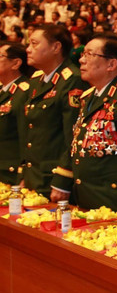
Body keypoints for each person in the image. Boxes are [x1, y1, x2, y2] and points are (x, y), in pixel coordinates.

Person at [50, 34, 117, 210]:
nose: (81, 59)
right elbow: (77, 141)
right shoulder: (89, 96)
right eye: (83, 54)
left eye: (89, 54)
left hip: (113, 198)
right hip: (86, 195)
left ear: (111, 64)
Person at [20, 24, 87, 195]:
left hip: (53, 178)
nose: (28, 49)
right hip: (34, 174)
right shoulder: (36, 79)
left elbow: (73, 134)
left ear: (56, 47)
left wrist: (63, 178)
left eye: (34, 44)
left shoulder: (72, 80)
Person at [0, 43, 30, 184]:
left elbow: (26, 137)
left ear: (16, 63)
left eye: (0, 56)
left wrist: (23, 173)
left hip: (11, 171)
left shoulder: (24, 92)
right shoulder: (3, 90)